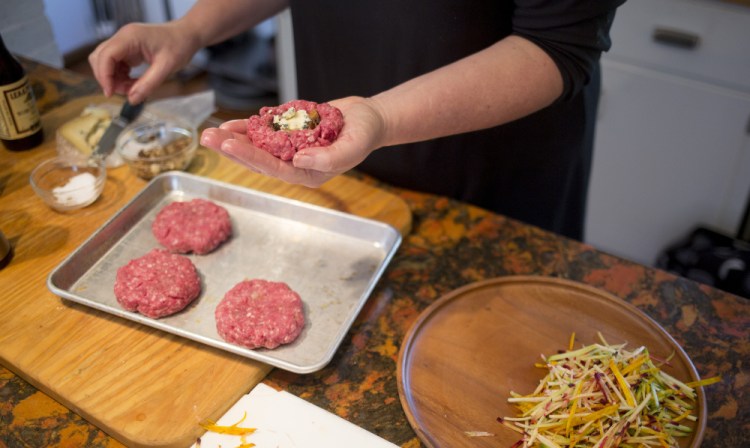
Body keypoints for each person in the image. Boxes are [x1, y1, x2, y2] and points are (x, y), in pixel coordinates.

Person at [89, 0, 626, 240]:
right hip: (350, 153)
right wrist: (190, 29)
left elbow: (555, 44)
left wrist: (381, 117)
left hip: (488, 172)